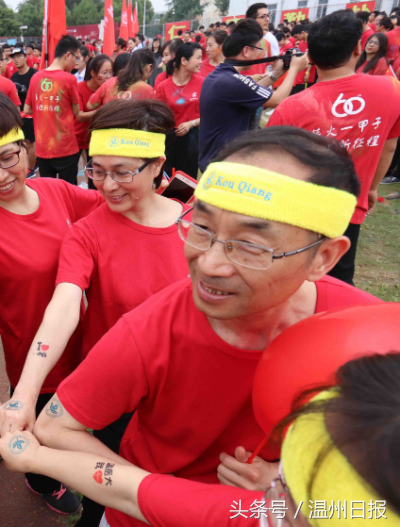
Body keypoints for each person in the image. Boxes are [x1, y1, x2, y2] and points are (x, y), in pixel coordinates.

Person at [34, 126, 381, 527]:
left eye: (251, 245)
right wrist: (156, 498)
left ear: (323, 257)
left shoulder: (366, 340)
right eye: (202, 228)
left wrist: (288, 482)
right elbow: (55, 426)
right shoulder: (151, 328)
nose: (209, 264)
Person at [9, 99, 189, 526]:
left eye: (123, 172)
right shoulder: (88, 232)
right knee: (112, 487)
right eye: (97, 169)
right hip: (119, 393)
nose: (107, 186)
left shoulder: (198, 221)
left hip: (183, 387)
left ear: (157, 164)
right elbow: (64, 305)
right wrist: (24, 394)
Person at [0, 353, 400, 527]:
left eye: (291, 493)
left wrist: (35, 457)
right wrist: (34, 457)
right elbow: (135, 489)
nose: (272, 494)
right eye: (281, 479)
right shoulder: (259, 512)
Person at [0, 90, 103, 515]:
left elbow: (110, 207)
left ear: (25, 145)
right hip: (32, 362)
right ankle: (42, 482)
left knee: (87, 421)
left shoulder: (57, 192)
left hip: (84, 344)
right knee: (39, 432)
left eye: (7, 158)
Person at [267, 10, 400, 286]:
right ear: (357, 48)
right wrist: (372, 188)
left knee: (294, 278)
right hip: (349, 205)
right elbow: (388, 147)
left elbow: (273, 169)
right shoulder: (392, 90)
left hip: (299, 211)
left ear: (310, 57)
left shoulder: (292, 107)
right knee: (337, 280)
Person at [198, 19, 309, 173]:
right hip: (224, 165)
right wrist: (295, 69)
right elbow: (277, 99)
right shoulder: (232, 81)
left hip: (214, 160)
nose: (261, 53)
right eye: (259, 48)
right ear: (246, 50)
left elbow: (251, 91)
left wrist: (276, 74)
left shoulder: (220, 76)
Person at [24, 36, 82, 185]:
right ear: (68, 55)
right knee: (68, 192)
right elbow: (76, 111)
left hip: (43, 148)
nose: (76, 63)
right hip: (65, 147)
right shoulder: (69, 79)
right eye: (76, 58)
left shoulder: (36, 77)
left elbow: (27, 109)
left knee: (49, 191)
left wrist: (44, 111)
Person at [155, 42, 204, 177]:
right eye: (198, 58)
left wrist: (191, 124)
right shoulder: (163, 87)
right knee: (166, 179)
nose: (201, 62)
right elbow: (157, 116)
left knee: (187, 180)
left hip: (192, 140)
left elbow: (211, 114)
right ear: (183, 60)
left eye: (202, 58)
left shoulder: (202, 83)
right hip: (169, 140)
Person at [75, 54, 113, 184]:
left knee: (95, 176)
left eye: (110, 72)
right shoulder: (79, 88)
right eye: (104, 72)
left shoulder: (110, 89)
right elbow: (79, 116)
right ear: (92, 73)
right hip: (78, 137)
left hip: (97, 138)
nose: (108, 76)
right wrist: (102, 110)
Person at [88, 50, 156, 111]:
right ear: (148, 67)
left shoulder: (109, 82)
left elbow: (90, 105)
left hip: (107, 124)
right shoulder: (147, 90)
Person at [10, 47, 38, 176]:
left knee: (30, 142)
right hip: (19, 115)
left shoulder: (34, 74)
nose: (16, 59)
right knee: (23, 142)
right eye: (13, 57)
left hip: (33, 115)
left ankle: (31, 169)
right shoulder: (13, 77)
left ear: (26, 57)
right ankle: (34, 163)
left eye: (18, 56)